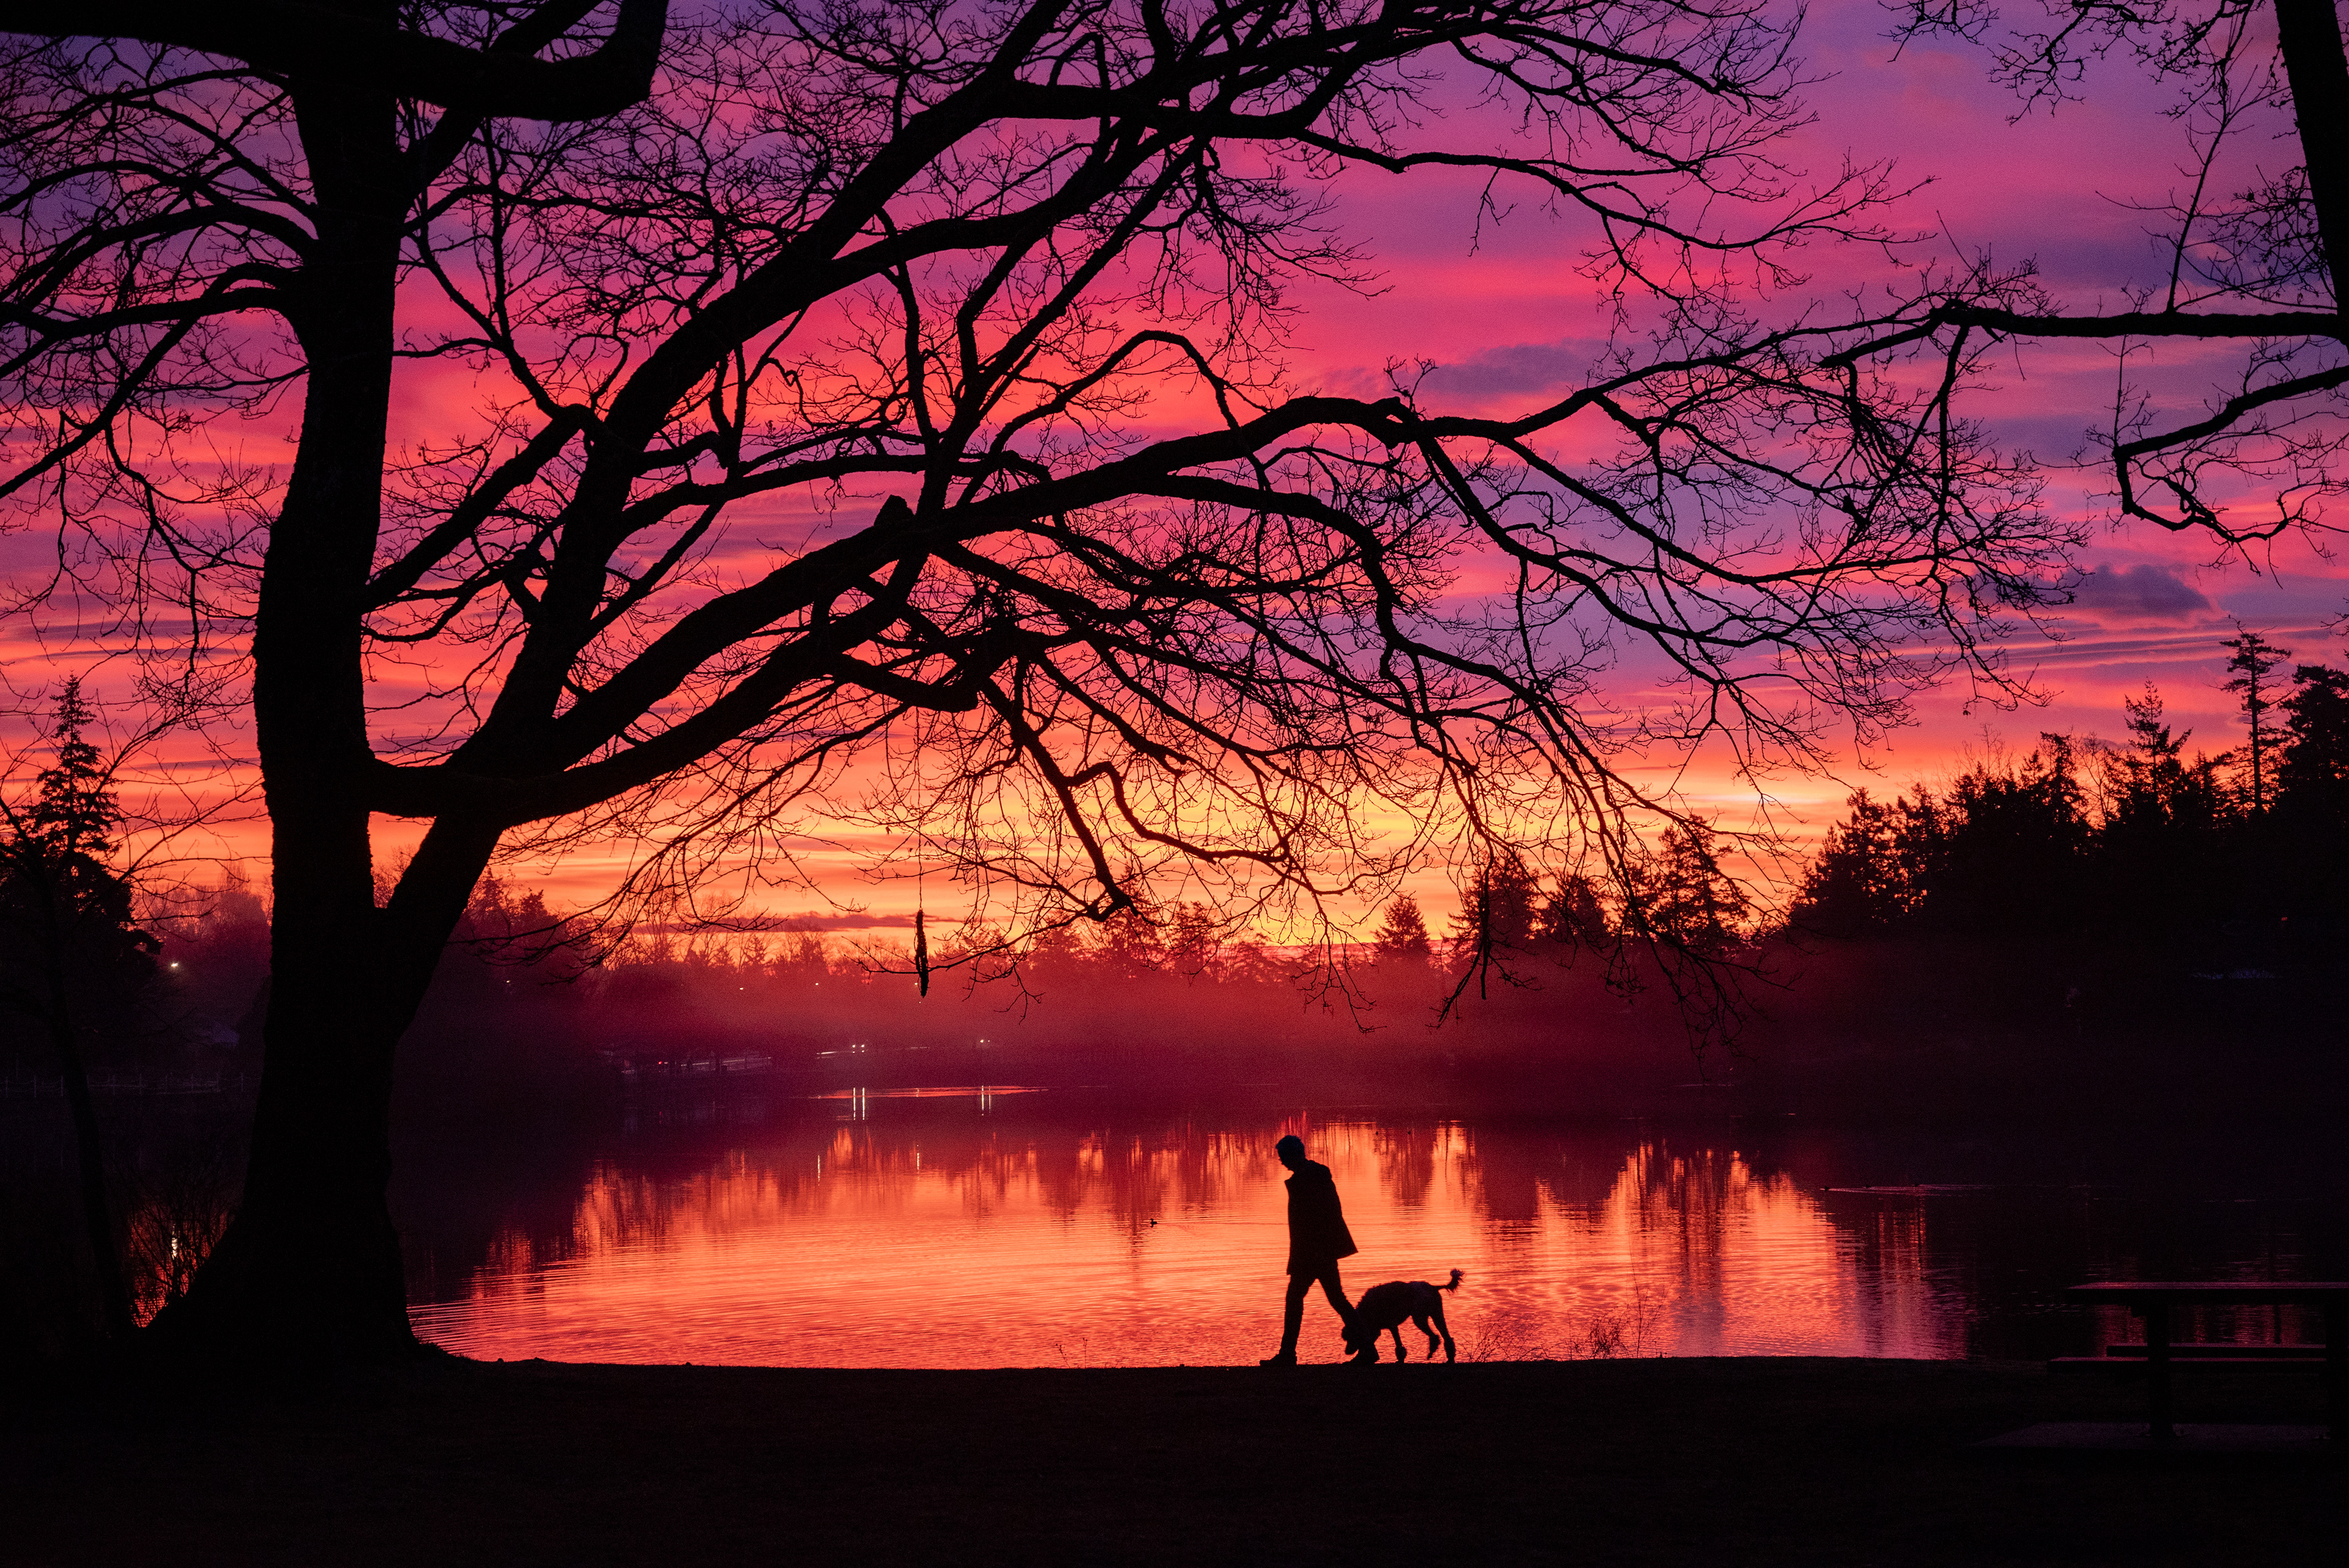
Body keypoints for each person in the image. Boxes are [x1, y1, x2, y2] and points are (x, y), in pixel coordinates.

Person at [1260, 1133, 1368, 1366]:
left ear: (1291, 1155)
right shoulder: (1316, 1173)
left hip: (1312, 1251)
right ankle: (1368, 1349)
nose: (1280, 1161)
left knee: (1299, 1299)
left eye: (1282, 1156)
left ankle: (1288, 1355)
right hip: (1319, 1250)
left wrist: (1313, 1250)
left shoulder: (1308, 1178)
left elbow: (1318, 1216)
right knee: (1336, 1299)